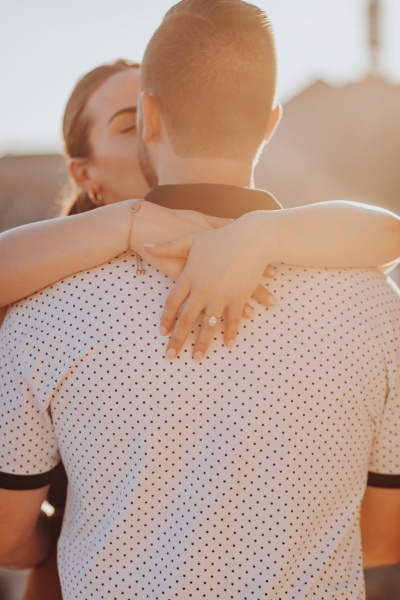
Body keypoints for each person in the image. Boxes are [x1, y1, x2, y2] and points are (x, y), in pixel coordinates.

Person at [0, 2, 399, 598]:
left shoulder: (46, 313)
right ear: (269, 122)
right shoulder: (373, 304)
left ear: (152, 114)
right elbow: (383, 540)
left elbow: (7, 534)